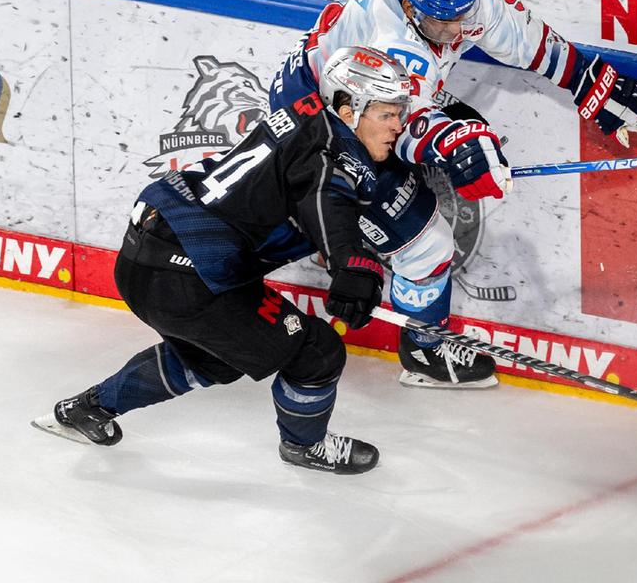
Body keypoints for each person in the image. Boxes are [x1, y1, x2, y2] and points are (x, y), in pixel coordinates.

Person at [270, 0, 637, 389]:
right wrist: (452, 143)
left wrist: (587, 82)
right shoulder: (390, 39)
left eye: (462, 16)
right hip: (322, 120)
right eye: (441, 21)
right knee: (425, 242)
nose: (456, 30)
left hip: (374, 97)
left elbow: (526, 40)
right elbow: (396, 124)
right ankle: (425, 351)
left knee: (462, 137)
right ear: (411, 8)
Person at [34, 47, 416, 475]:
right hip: (189, 275)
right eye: (387, 115)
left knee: (213, 356)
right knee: (317, 351)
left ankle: (87, 410)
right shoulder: (330, 154)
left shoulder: (308, 113)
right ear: (348, 108)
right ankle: (305, 447)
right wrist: (354, 266)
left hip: (148, 255)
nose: (397, 127)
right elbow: (326, 198)